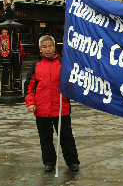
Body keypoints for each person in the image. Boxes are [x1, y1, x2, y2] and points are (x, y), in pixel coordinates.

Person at [24, 35, 80, 172]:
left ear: (55, 48)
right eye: (44, 47)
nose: (48, 49)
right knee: (45, 138)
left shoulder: (63, 63)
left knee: (66, 137)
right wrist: (30, 102)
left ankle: (72, 162)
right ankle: (49, 162)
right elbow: (29, 87)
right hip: (41, 109)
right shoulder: (36, 65)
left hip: (61, 108)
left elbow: (73, 80)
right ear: (40, 50)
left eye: (50, 46)